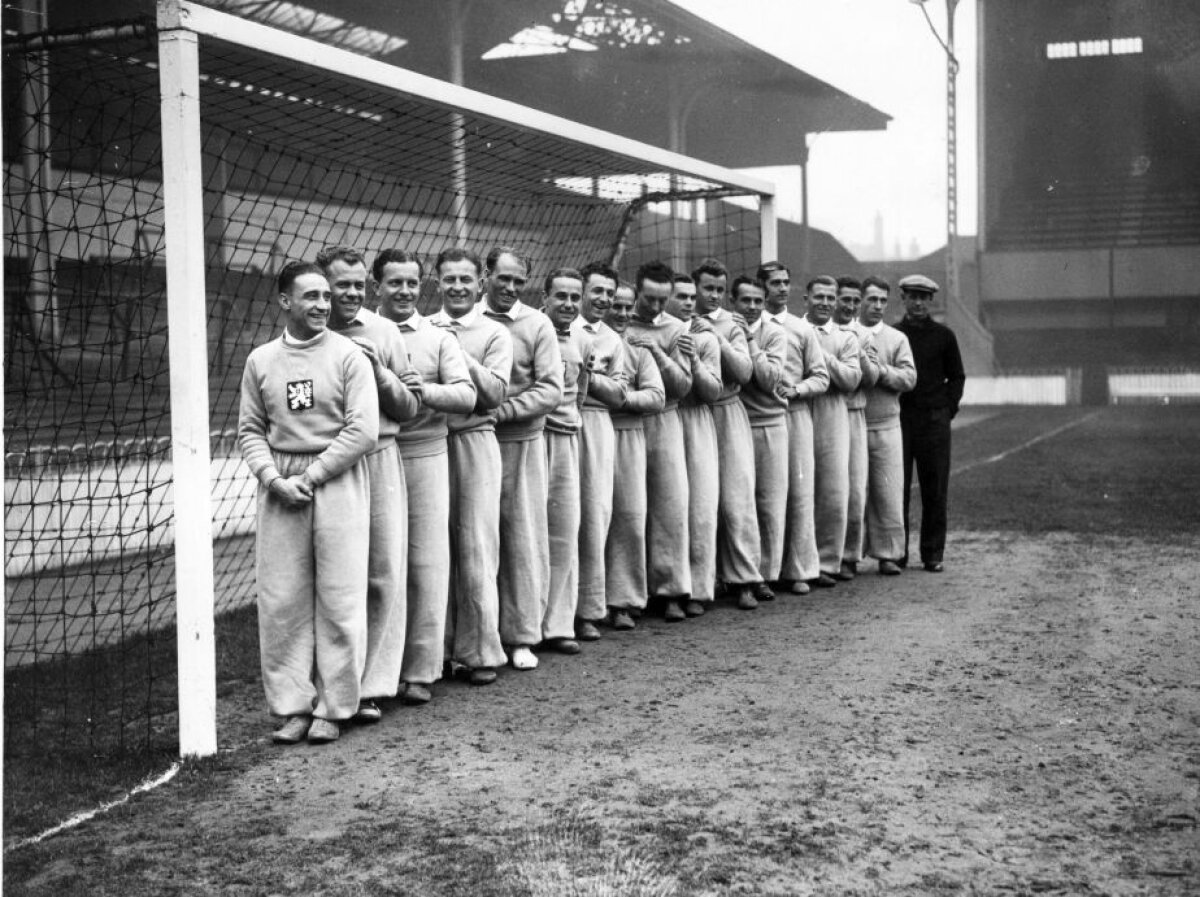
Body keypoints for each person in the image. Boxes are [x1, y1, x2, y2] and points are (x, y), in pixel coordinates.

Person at [238, 261, 378, 745]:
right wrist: (273, 478)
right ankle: (291, 706)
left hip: (336, 481)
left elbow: (362, 430)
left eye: (326, 296)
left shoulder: (349, 356)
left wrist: (312, 475)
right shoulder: (261, 360)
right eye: (311, 297)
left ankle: (335, 706)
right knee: (282, 601)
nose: (322, 305)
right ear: (284, 301)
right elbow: (251, 430)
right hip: (280, 487)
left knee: (339, 596)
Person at [318, 245, 419, 724]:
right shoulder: (306, 333)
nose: (352, 294)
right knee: (334, 581)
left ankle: (373, 685)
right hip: (326, 465)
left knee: (383, 572)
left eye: (360, 285)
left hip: (379, 458)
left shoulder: (384, 332)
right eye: (343, 286)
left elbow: (410, 407)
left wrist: (378, 373)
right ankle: (331, 684)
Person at [373, 248, 477, 705]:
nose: (404, 291)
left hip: (425, 455)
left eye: (412, 283)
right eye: (394, 283)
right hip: (374, 457)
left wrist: (424, 390)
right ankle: (376, 674)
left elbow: (467, 394)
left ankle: (420, 670)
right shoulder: (356, 331)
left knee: (427, 565)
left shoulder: (437, 336)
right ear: (378, 286)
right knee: (378, 568)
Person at [428, 247, 512, 686]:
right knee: (433, 547)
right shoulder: (424, 328)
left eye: (466, 279)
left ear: (480, 283)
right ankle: (434, 654)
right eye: (449, 279)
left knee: (478, 546)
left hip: (477, 441)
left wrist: (459, 353)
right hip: (432, 443)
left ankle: (480, 652)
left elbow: (495, 393)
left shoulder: (494, 333)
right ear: (436, 282)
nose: (458, 287)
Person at [480, 247, 565, 667]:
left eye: (518, 281)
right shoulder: (461, 322)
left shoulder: (537, 323)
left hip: (521, 443)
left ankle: (520, 638)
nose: (511, 288)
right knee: (474, 538)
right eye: (503, 278)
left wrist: (504, 411)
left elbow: (551, 389)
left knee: (521, 539)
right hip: (472, 443)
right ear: (486, 275)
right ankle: (476, 639)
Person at [625, 261, 694, 621]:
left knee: (670, 507)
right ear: (636, 291)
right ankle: (627, 596)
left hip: (665, 419)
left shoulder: (676, 327)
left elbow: (683, 386)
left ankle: (671, 591)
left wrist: (656, 350)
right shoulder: (619, 319)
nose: (654, 307)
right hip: (624, 420)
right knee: (629, 509)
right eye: (648, 299)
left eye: (661, 300)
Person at [696, 260, 766, 609]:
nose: (713, 295)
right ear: (695, 288)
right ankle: (702, 583)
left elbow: (745, 370)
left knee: (738, 499)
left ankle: (744, 580)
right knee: (701, 503)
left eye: (719, 290)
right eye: (707, 288)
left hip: (728, 410)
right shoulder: (682, 318)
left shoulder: (731, 323)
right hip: (692, 415)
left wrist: (717, 338)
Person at [760, 261, 829, 595]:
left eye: (786, 282)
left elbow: (821, 376)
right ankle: (761, 572)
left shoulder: (801, 330)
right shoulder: (746, 323)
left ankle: (799, 569)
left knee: (800, 494)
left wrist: (797, 390)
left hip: (796, 415)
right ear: (762, 288)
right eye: (775, 283)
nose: (783, 288)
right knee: (765, 496)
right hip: (757, 417)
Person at [570, 262, 628, 641]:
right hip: (554, 425)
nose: (604, 300)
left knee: (593, 516)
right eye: (597, 291)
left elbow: (620, 393)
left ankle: (588, 609)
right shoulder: (556, 327)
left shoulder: (612, 339)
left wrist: (590, 377)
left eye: (609, 293)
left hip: (595, 425)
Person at [603, 282, 666, 630]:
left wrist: (621, 398)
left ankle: (624, 600)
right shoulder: (586, 341)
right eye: (615, 305)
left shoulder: (638, 350)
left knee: (628, 516)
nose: (622, 313)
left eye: (628, 307)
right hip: (587, 431)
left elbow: (656, 396)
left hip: (627, 436)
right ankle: (589, 604)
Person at [895, 274, 965, 572]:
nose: (918, 302)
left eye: (924, 297)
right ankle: (895, 554)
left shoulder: (944, 336)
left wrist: (946, 408)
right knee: (897, 489)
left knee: (934, 488)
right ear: (904, 299)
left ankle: (932, 553)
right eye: (913, 296)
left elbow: (957, 377)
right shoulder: (893, 334)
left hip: (934, 421)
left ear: (931, 300)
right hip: (899, 419)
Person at [667, 273, 723, 616]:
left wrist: (696, 361)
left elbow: (712, 391)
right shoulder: (656, 333)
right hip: (666, 419)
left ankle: (699, 588)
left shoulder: (704, 338)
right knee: (670, 510)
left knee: (701, 508)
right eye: (681, 296)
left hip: (698, 421)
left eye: (692, 296)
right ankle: (670, 589)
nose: (689, 302)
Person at [540, 268, 590, 654]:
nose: (569, 304)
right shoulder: (532, 330)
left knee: (563, 532)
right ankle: (525, 626)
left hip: (566, 439)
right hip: (533, 438)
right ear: (545, 296)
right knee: (528, 535)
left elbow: (581, 393)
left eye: (575, 297)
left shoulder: (581, 340)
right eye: (561, 296)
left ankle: (557, 625)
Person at [732, 275, 789, 594]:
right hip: (734, 424)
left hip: (770, 424)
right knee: (738, 504)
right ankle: (739, 575)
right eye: (745, 301)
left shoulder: (774, 334)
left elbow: (768, 379)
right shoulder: (724, 327)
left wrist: (750, 341)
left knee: (769, 503)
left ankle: (765, 575)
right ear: (734, 302)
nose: (752, 307)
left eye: (757, 301)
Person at [804, 275, 861, 587]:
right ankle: (797, 563)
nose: (825, 303)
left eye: (830, 297)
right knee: (798, 491)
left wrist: (819, 355)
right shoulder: (792, 329)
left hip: (833, 412)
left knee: (833, 491)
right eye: (819, 297)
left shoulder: (846, 337)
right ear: (807, 298)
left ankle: (827, 562)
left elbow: (851, 379)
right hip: (797, 410)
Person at [857, 276, 916, 575]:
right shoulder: (848, 333)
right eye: (872, 300)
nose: (877, 306)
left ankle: (889, 555)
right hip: (852, 424)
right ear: (860, 300)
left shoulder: (896, 339)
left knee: (889, 492)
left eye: (882, 300)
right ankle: (846, 556)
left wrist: (881, 372)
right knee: (851, 493)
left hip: (888, 425)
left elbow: (909, 378)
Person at [833, 276, 874, 581]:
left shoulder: (863, 334)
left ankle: (849, 555)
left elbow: (870, 378)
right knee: (825, 490)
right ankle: (821, 558)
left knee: (855, 491)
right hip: (821, 412)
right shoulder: (817, 330)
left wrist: (858, 351)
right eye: (843, 299)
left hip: (855, 414)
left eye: (854, 301)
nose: (848, 306)